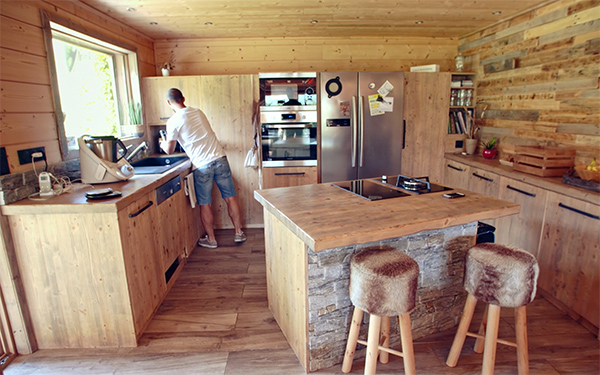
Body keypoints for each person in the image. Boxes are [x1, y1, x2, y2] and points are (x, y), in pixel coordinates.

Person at [160, 88, 246, 248]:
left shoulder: (172, 121)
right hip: (220, 158)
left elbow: (169, 150)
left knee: (205, 203)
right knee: (230, 197)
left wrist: (162, 143)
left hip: (202, 165)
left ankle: (211, 240)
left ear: (168, 103)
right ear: (183, 98)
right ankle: (238, 232)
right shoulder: (198, 112)